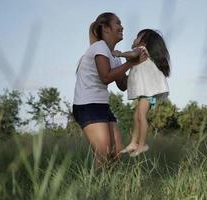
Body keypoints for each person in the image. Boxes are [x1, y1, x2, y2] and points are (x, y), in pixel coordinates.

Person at [72, 12, 146, 168]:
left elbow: (122, 84)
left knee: (117, 153)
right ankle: (91, 190)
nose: (122, 27)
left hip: (102, 106)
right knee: (104, 153)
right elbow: (105, 77)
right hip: (87, 105)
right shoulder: (99, 47)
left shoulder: (116, 57)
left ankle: (107, 190)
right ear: (106, 28)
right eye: (117, 23)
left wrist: (139, 67)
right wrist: (131, 63)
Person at [112, 29, 170, 157]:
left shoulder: (141, 50)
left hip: (149, 92)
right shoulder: (144, 54)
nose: (134, 39)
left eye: (137, 37)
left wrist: (120, 54)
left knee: (141, 115)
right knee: (137, 115)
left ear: (143, 41)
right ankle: (133, 143)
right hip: (148, 93)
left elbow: (133, 54)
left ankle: (142, 144)